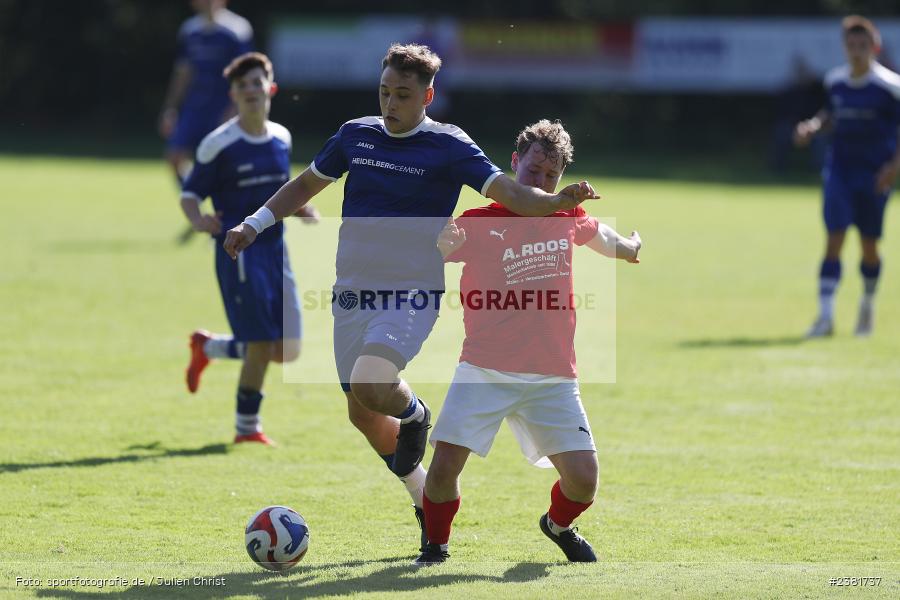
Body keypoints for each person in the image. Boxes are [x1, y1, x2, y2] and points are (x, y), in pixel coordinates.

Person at [223, 44, 599, 552]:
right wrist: (255, 222)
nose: (390, 103)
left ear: (427, 95)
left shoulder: (449, 145)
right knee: (361, 410)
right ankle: (422, 496)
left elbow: (508, 193)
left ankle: (416, 413)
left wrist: (556, 202)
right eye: (384, 92)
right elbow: (306, 185)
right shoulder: (355, 135)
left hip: (411, 291)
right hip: (352, 291)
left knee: (373, 383)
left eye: (402, 95)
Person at [414, 119, 641, 565]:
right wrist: (436, 246)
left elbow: (603, 237)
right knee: (442, 469)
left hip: (552, 376)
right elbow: (423, 260)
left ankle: (558, 525)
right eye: (532, 172)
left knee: (584, 481)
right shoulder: (476, 221)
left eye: (549, 177)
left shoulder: (567, 215)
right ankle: (436, 545)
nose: (539, 184)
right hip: (483, 369)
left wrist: (632, 247)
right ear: (513, 164)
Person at [180, 52, 319, 446]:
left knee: (288, 349)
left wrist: (302, 206)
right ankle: (247, 428)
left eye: (257, 82)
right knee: (260, 343)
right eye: (243, 85)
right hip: (238, 254)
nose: (251, 90)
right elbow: (190, 194)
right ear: (234, 94)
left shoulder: (281, 138)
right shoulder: (217, 144)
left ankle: (210, 346)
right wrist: (198, 219)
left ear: (270, 88)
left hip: (278, 252)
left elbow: (281, 187)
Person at [794, 15, 900, 337]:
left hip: (874, 175)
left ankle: (867, 304)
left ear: (874, 47)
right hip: (839, 170)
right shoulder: (835, 81)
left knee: (869, 246)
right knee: (834, 239)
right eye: (851, 45)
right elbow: (831, 114)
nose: (856, 51)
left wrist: (893, 168)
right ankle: (825, 318)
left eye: (862, 45)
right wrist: (813, 126)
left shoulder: (890, 87)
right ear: (844, 47)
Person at [159, 0, 254, 186]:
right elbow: (184, 72)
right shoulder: (189, 30)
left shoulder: (237, 29)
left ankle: (227, 205)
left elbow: (244, 73)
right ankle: (193, 196)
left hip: (223, 104)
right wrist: (170, 107)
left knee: (225, 160)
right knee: (175, 157)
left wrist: (235, 108)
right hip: (194, 105)